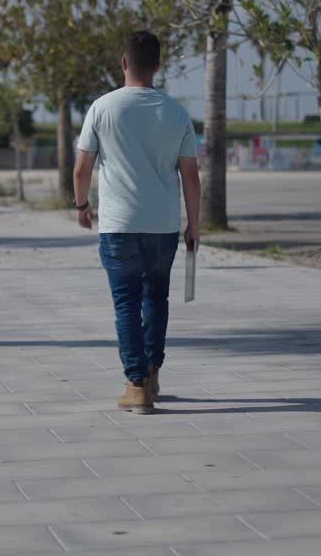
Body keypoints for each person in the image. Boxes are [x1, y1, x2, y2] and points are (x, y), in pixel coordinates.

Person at [73, 31, 201, 415]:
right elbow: (191, 176)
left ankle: (136, 385)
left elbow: (82, 168)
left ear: (124, 62)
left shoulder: (102, 107)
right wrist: (194, 224)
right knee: (156, 298)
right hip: (163, 223)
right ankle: (151, 370)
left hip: (119, 224)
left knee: (126, 302)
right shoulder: (176, 111)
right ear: (159, 66)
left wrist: (82, 205)